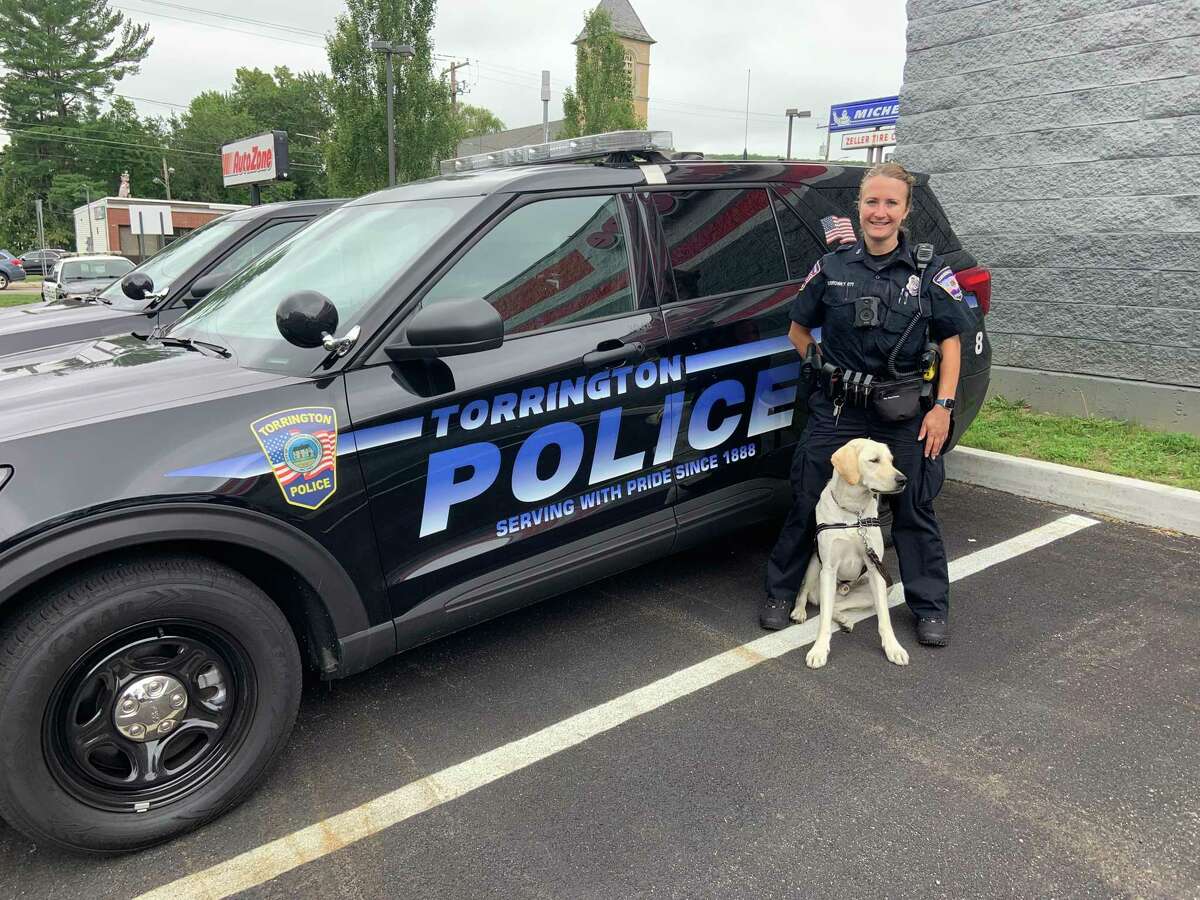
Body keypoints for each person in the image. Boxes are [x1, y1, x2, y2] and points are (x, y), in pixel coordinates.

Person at [760, 162, 977, 646]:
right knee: (807, 499)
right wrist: (823, 367)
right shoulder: (833, 265)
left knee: (914, 507)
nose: (880, 212)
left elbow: (952, 343)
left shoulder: (929, 271)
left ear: (905, 211)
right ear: (858, 207)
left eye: (890, 203)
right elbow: (798, 329)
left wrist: (942, 406)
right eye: (871, 202)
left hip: (903, 413)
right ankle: (780, 592)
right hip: (838, 412)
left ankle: (929, 608)